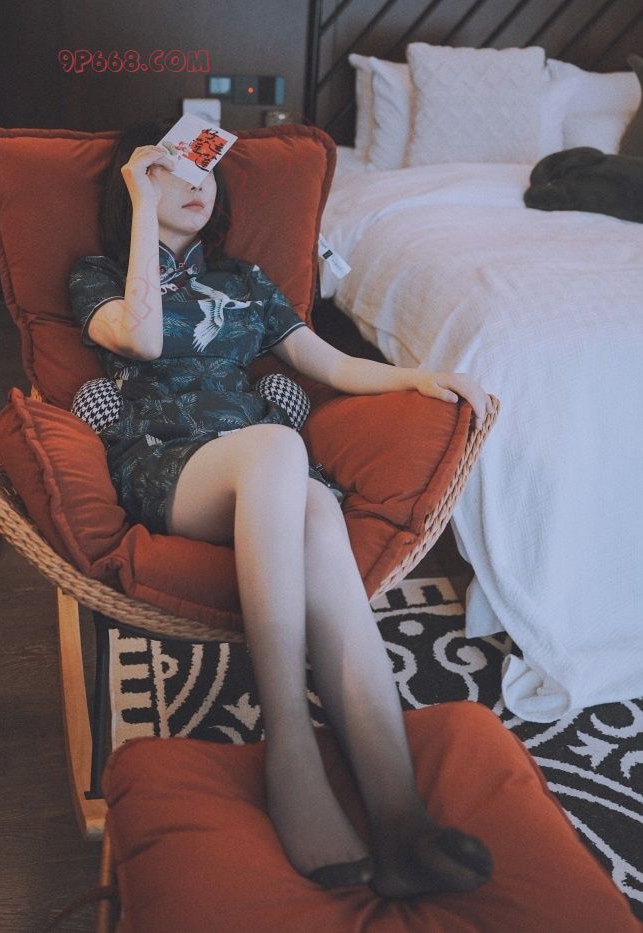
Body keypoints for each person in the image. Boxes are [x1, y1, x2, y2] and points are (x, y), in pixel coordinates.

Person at [68, 112, 496, 899]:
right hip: (169, 467)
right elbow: (143, 341)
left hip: (270, 468)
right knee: (275, 446)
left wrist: (418, 376)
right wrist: (140, 206)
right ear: (136, 187)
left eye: (205, 172)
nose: (197, 184)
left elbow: (326, 363)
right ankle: (290, 750)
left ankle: (402, 819)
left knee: (315, 508)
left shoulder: (245, 281)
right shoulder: (97, 275)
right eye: (174, 171)